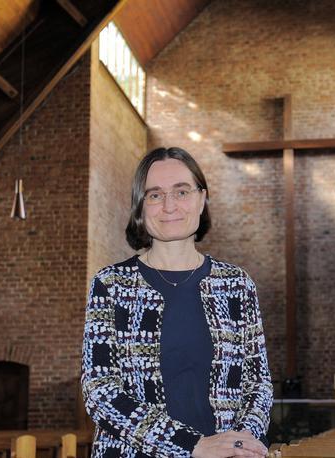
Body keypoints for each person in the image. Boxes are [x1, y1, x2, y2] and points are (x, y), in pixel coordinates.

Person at [81, 147, 273, 458]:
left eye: (182, 191)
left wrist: (239, 444)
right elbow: (100, 391)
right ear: (140, 207)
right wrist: (192, 446)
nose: (169, 205)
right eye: (155, 195)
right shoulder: (111, 285)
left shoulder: (236, 284)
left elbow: (258, 383)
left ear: (201, 199)